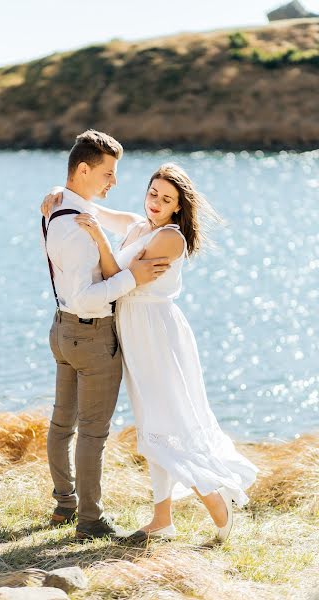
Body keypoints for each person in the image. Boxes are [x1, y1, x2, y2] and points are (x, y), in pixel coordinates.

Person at [41, 162, 259, 543]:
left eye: (166, 199)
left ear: (178, 206)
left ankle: (214, 500)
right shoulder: (137, 225)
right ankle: (162, 520)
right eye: (153, 193)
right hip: (133, 332)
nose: (156, 203)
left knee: (168, 423)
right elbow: (89, 207)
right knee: (151, 427)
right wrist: (58, 194)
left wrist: (101, 242)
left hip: (157, 336)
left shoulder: (171, 238)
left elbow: (114, 280)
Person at [41, 129, 171, 541]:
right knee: (92, 431)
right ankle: (90, 520)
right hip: (90, 334)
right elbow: (84, 297)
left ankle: (64, 506)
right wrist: (131, 278)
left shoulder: (57, 207)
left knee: (62, 422)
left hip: (62, 330)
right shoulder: (77, 224)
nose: (114, 182)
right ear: (84, 169)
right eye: (108, 173)